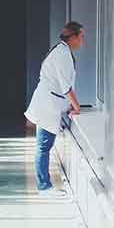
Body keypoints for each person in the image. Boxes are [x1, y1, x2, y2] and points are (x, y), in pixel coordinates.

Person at [25, 21, 83, 194]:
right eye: (81, 36)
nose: (82, 40)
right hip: (47, 106)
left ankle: (45, 184)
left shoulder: (62, 50)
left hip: (49, 103)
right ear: (72, 37)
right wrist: (77, 107)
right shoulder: (62, 54)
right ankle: (44, 186)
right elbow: (66, 86)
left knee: (44, 146)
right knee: (43, 146)